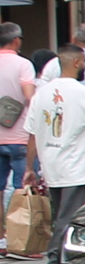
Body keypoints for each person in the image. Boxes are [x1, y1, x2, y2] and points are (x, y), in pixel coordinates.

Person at [29, 45, 85, 264]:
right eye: (83, 62)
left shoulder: (41, 93)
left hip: (50, 163)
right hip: (76, 163)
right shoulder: (84, 94)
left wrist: (29, 167)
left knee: (61, 216)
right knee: (69, 218)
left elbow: (31, 132)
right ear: (75, 63)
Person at [0, 25, 34, 244]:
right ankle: (22, 239)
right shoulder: (24, 64)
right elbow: (30, 97)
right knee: (25, 189)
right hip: (21, 137)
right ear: (17, 40)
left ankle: (1, 237)